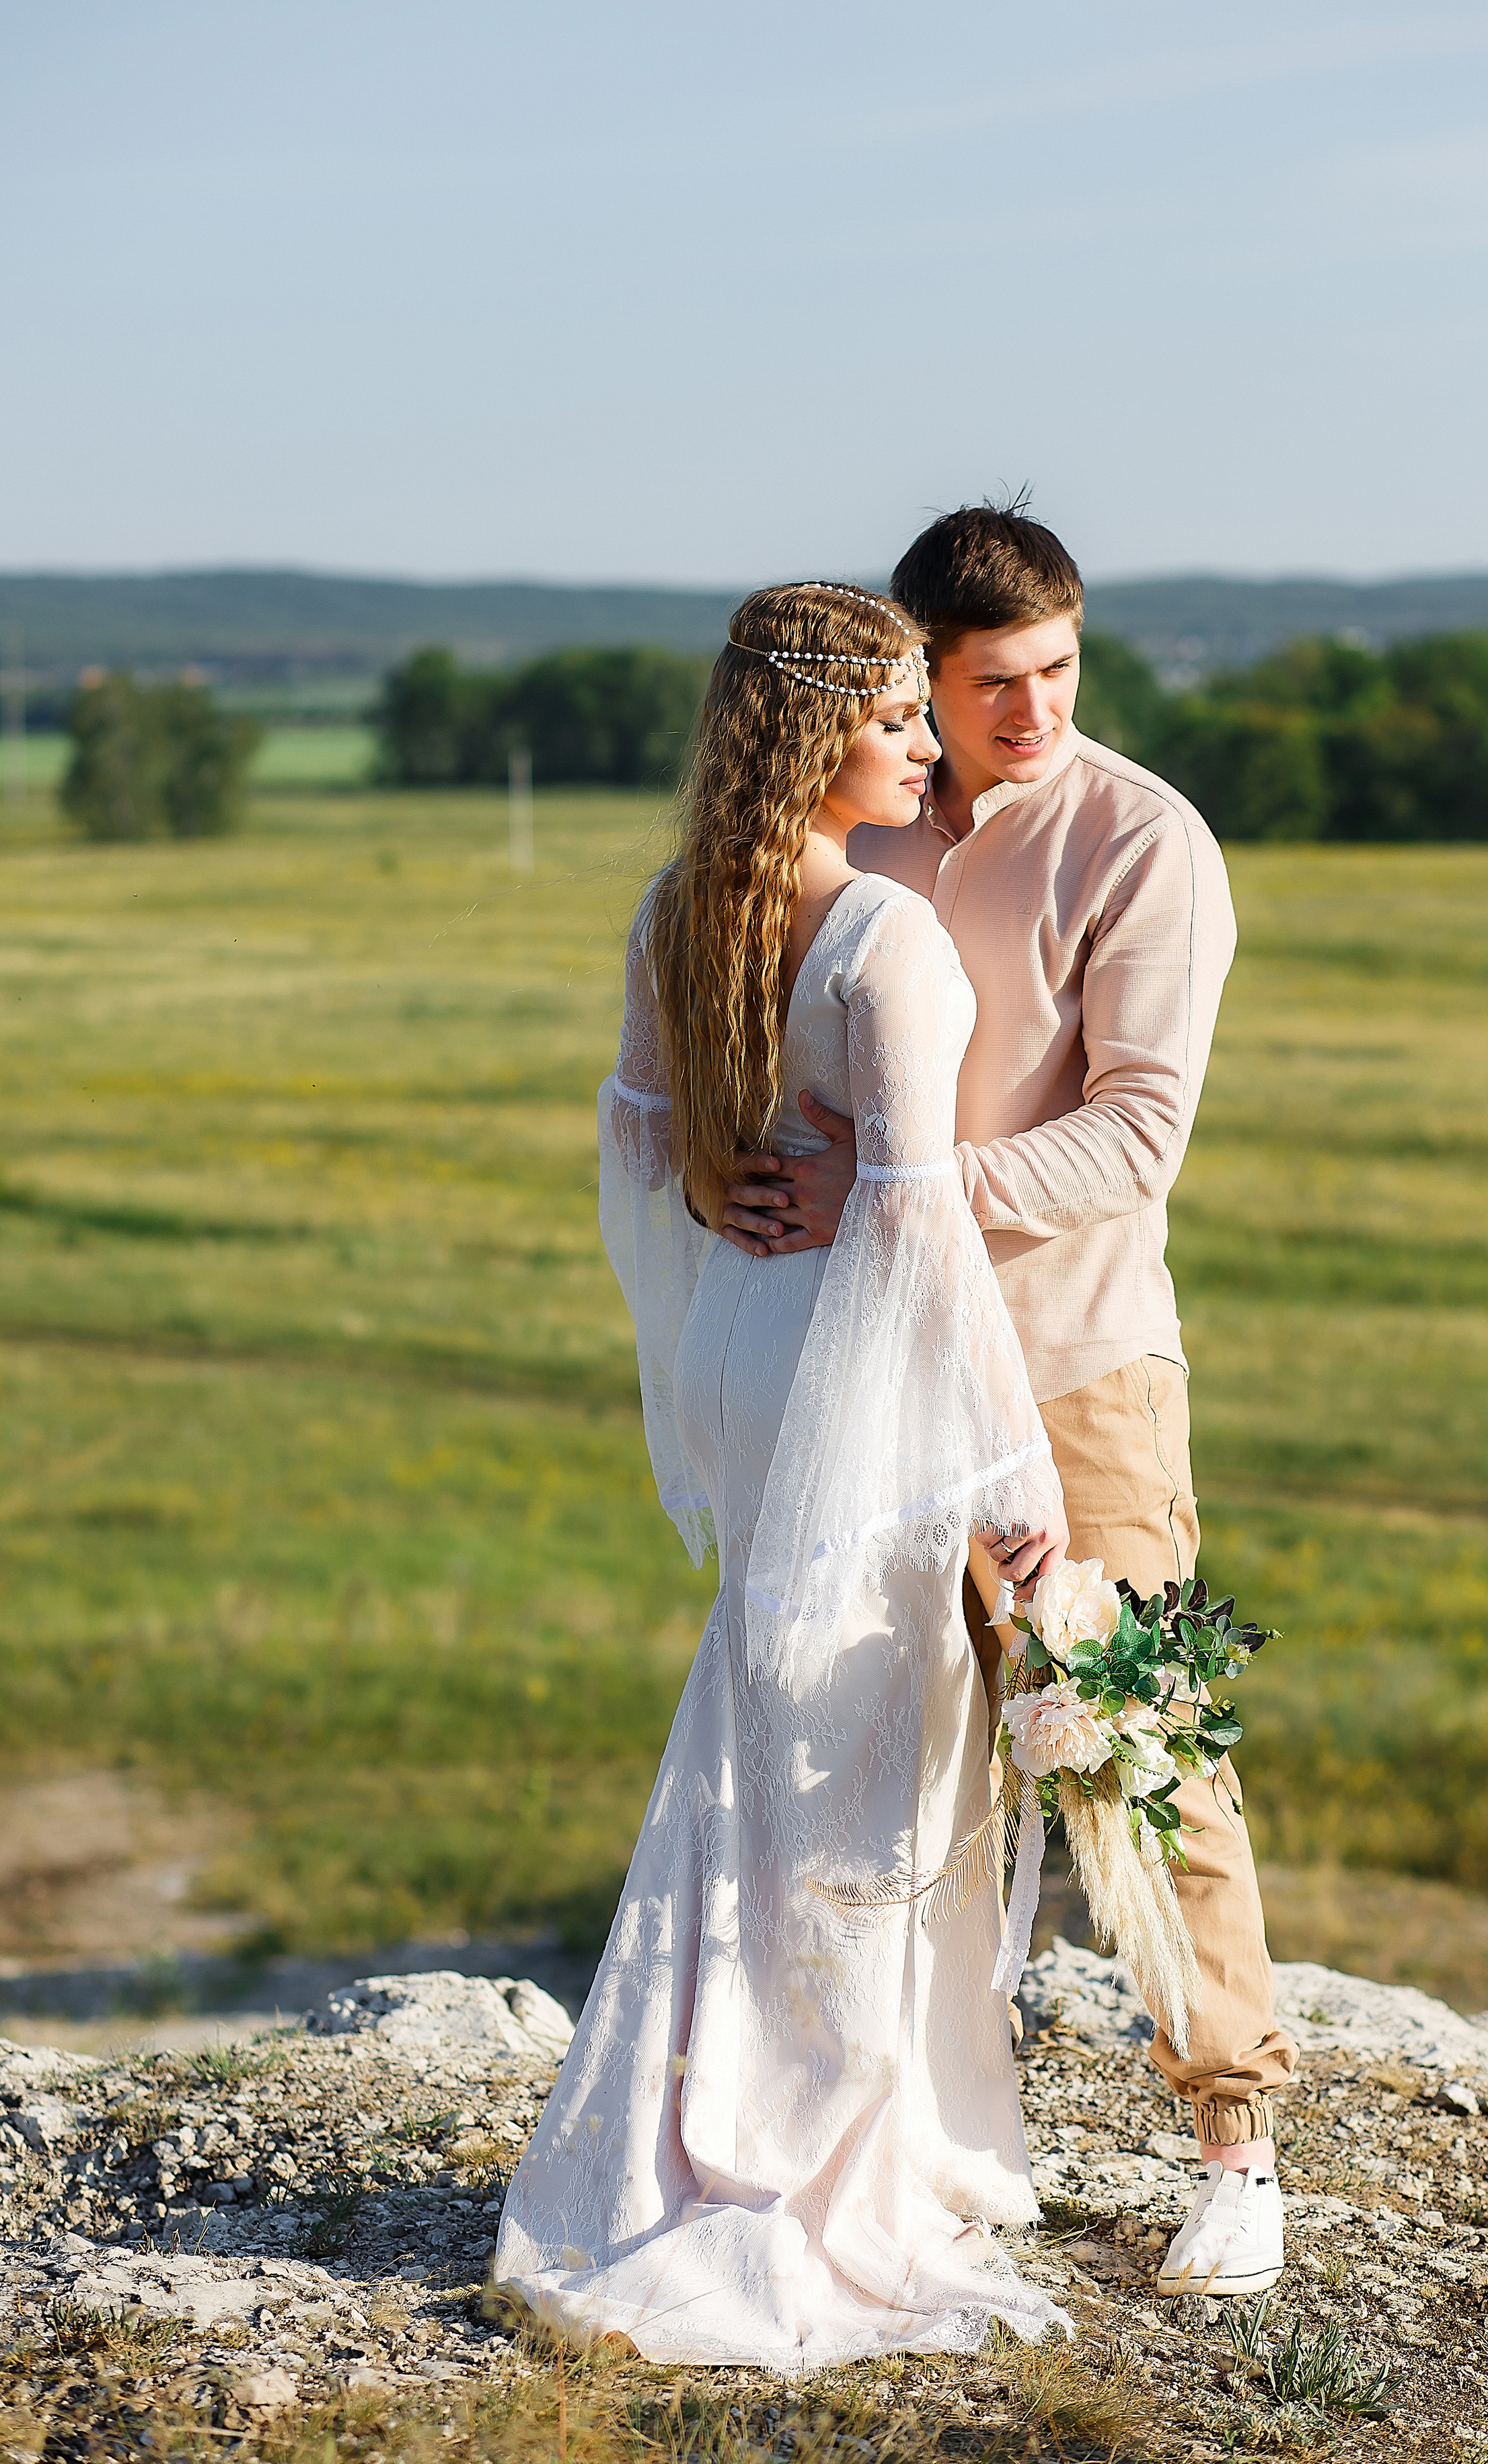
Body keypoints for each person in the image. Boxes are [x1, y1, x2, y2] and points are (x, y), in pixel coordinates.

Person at [719, 507, 1297, 2300]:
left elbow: (1139, 1131)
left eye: (1058, 670)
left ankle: (1238, 2145)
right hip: (869, 1382)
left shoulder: (1146, 841)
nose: (1032, 710)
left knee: (1140, 1748)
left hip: (1080, 1370)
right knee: (898, 1771)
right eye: (990, 684)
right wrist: (720, 1178)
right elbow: (757, 1048)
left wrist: (896, 1194)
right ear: (921, 677)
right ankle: (932, 2139)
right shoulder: (864, 820)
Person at [495, 583, 1075, 2366]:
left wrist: (717, 1202)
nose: (926, 743)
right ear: (819, 729)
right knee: (858, 1759)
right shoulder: (885, 943)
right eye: (901, 714)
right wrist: (1011, 1458)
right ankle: (812, 2140)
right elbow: (911, 1224)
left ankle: (721, 2100)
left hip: (750, 1346)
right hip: (852, 1365)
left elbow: (645, 1137)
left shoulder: (685, 907)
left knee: (766, 1700)